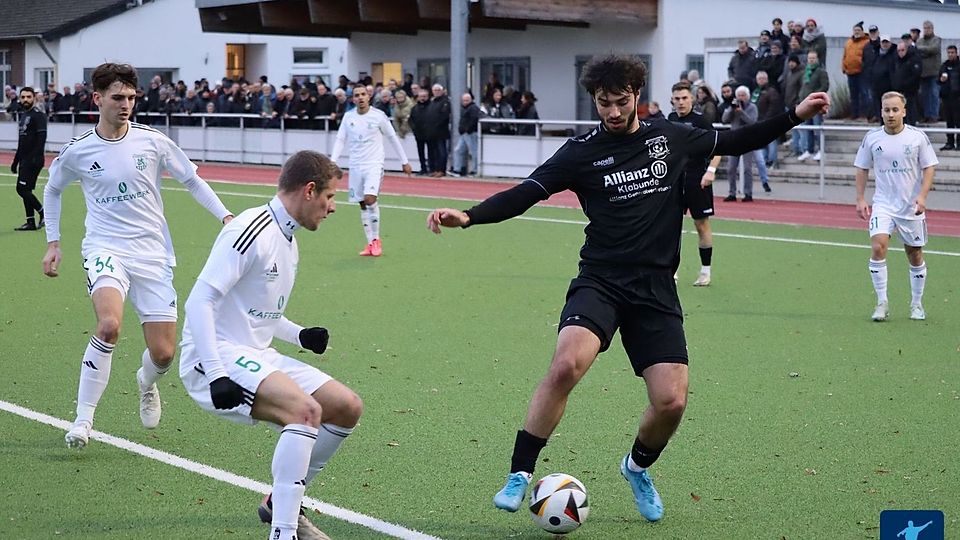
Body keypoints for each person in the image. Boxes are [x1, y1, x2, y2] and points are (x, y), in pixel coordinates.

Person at [426, 54, 829, 522]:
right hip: (601, 279)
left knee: (672, 401)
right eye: (603, 103)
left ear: (637, 94)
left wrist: (793, 115)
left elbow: (738, 140)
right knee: (565, 366)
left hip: (656, 288)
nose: (613, 112)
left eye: (621, 102)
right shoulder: (581, 152)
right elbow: (527, 191)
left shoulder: (671, 136)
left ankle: (637, 467)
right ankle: (519, 473)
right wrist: (470, 216)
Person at [42, 63, 234, 449]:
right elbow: (53, 190)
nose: (126, 104)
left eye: (131, 97)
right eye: (118, 97)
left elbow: (193, 181)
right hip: (105, 248)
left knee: (163, 354)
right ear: (97, 99)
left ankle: (146, 382)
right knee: (109, 325)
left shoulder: (153, 141)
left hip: (152, 254)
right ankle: (83, 420)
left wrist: (226, 217)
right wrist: (54, 242)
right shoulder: (79, 151)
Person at [179, 150, 361, 540]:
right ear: (309, 191)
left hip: (256, 353)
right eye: (330, 197)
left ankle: (280, 503)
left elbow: (257, 312)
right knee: (306, 411)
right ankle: (284, 531)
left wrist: (299, 335)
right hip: (213, 356)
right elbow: (199, 301)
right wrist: (216, 373)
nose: (332, 208)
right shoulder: (250, 230)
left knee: (346, 407)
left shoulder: (288, 239)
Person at [854, 91, 936, 322]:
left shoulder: (917, 137)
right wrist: (860, 199)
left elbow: (929, 167)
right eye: (886, 110)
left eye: (895, 110)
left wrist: (922, 196)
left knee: (915, 254)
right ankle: (882, 303)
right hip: (883, 204)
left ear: (904, 112)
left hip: (910, 206)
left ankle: (917, 304)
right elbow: (861, 168)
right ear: (881, 111)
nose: (890, 114)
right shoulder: (872, 138)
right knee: (878, 247)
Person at [331, 84, 413, 257]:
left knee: (370, 199)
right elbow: (340, 139)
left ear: (369, 96)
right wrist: (332, 162)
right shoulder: (348, 117)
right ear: (353, 99)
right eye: (356, 95)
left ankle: (376, 240)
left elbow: (392, 137)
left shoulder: (378, 116)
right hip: (355, 166)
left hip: (373, 165)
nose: (360, 98)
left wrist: (404, 161)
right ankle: (369, 243)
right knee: (361, 203)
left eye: (363, 94)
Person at [668, 81, 723, 286]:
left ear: (691, 98)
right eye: (677, 99)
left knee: (701, 225)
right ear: (672, 100)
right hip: (674, 180)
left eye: (684, 98)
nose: (681, 102)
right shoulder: (670, 119)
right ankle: (671, 270)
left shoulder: (701, 121)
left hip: (697, 180)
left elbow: (719, 147)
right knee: (670, 226)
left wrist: (710, 171)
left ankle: (705, 272)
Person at [11, 87, 47, 231]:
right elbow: (22, 141)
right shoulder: (24, 115)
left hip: (33, 159)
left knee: (22, 189)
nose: (25, 100)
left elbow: (42, 138)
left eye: (28, 97)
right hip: (24, 159)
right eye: (23, 97)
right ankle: (30, 222)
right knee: (26, 189)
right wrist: (15, 161)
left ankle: (43, 212)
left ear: (34, 98)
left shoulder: (38, 115)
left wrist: (36, 157)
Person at [940, 45, 960, 150]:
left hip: (957, 98)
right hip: (947, 98)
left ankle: (959, 143)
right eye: (949, 52)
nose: (951, 54)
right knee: (949, 122)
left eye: (952, 52)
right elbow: (938, 80)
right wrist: (941, 80)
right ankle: (950, 142)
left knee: (958, 121)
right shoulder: (944, 65)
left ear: (956, 53)